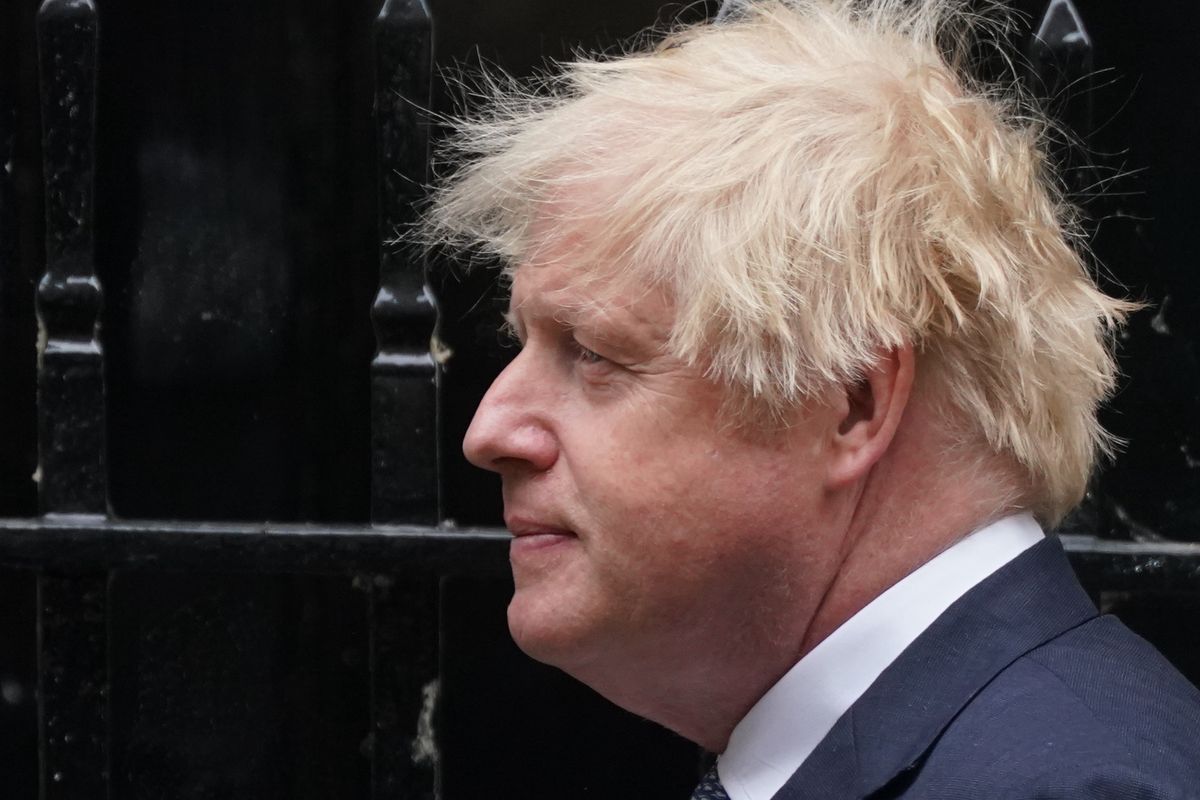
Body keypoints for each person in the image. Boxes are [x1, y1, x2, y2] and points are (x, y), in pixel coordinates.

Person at [419, 1, 1200, 797]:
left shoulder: (1065, 784)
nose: (490, 430)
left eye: (593, 353)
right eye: (525, 343)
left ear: (854, 402)